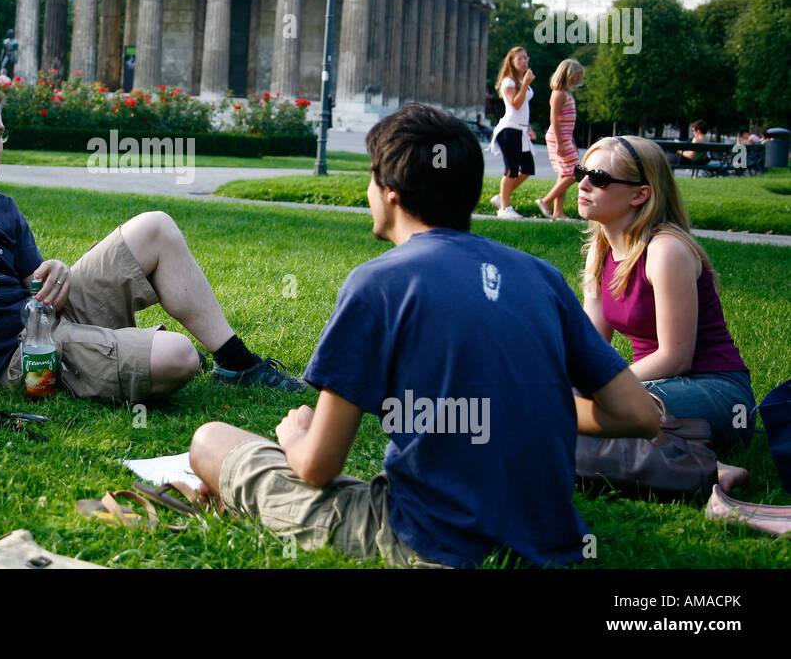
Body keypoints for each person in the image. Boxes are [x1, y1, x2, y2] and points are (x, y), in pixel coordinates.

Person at [189, 104, 660, 568]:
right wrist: (529, 407)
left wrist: (295, 436)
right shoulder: (541, 276)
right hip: (552, 538)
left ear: (389, 191)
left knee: (211, 440)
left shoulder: (377, 285)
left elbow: (318, 468)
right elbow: (639, 414)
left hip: (430, 541)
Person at [0, 78, 306, 401]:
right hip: (15, 355)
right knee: (180, 357)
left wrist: (55, 272)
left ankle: (238, 364)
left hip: (45, 316)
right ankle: (115, 349)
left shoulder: (2, 205)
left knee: (156, 225)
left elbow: (33, 285)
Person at [578, 135, 755, 449]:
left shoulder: (666, 251)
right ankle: (700, 466)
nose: (583, 185)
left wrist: (603, 388)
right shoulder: (600, 252)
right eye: (582, 173)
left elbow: (675, 359)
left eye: (600, 179)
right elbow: (592, 349)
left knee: (581, 418)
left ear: (640, 194)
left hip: (718, 395)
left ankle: (705, 469)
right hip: (652, 388)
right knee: (557, 407)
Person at [488, 46, 537, 219]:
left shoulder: (521, 81)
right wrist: (525, 85)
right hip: (509, 130)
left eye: (526, 58)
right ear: (512, 62)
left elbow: (523, 107)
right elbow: (515, 104)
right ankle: (504, 209)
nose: (524, 61)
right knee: (511, 170)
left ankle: (502, 197)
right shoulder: (509, 82)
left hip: (521, 129)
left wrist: (528, 126)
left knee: (528, 168)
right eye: (520, 59)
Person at [536, 59, 584, 219]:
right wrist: (560, 143)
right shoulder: (558, 94)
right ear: (567, 75)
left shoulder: (567, 94)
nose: (578, 80)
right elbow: (554, 119)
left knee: (565, 175)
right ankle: (546, 201)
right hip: (559, 138)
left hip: (566, 138)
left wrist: (572, 142)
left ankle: (558, 212)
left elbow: (568, 123)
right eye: (576, 76)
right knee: (575, 173)